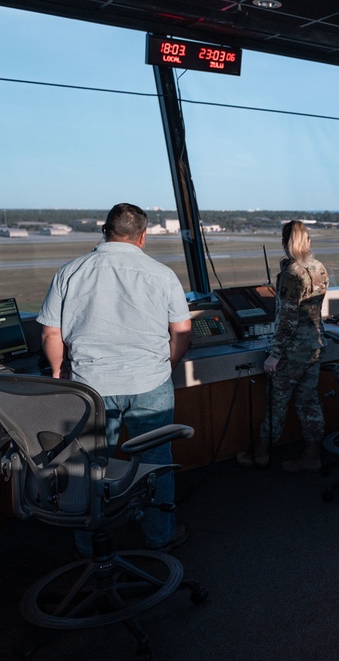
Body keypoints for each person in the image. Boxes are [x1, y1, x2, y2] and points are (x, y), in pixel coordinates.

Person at [37, 203, 192, 555]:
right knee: (155, 462)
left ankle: (91, 543)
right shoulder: (161, 274)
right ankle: (159, 535)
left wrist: (60, 372)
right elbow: (182, 332)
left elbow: (50, 334)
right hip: (149, 383)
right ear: (142, 237)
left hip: (91, 388)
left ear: (104, 231)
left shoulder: (70, 272)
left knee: (88, 466)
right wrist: (165, 363)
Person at [237, 220, 329, 473]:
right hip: (314, 345)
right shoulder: (319, 267)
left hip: (291, 352)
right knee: (309, 402)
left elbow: (287, 319)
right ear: (308, 242)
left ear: (284, 244)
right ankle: (312, 456)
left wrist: (274, 355)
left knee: (276, 404)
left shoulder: (291, 275)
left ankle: (261, 454)